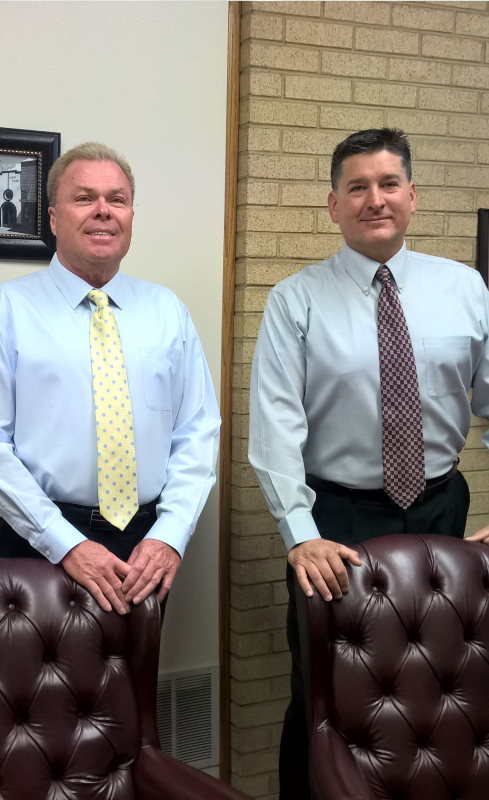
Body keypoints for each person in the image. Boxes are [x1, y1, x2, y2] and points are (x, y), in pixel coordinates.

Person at [248, 127, 489, 799]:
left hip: (441, 510)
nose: (373, 199)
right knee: (324, 694)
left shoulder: (464, 289)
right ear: (333, 204)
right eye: (356, 187)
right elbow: (273, 428)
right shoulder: (294, 299)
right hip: (336, 521)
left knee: (442, 683)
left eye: (387, 184)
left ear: (412, 197)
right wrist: (299, 532)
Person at [0, 142, 220, 616]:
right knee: (32, 689)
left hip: (147, 548)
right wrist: (66, 544)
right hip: (34, 540)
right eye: (84, 198)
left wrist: (169, 536)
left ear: (131, 216)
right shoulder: (8, 309)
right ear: (54, 218)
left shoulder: (167, 311)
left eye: (116, 200)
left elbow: (197, 432)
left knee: (134, 686)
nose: (103, 211)